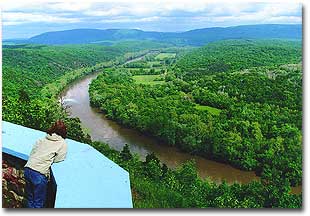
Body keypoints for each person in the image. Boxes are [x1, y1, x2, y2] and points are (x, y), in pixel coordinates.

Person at [24, 120, 68, 208]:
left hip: (28, 169)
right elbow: (59, 159)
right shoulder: (62, 143)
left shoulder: (42, 139)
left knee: (30, 199)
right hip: (39, 173)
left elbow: (33, 152)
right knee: (38, 203)